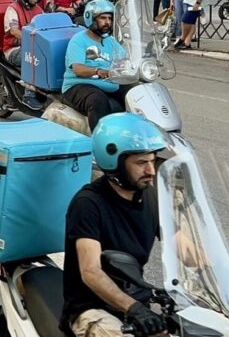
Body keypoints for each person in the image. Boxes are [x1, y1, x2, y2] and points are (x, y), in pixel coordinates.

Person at [61, 113, 169, 337]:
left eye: (152, 161)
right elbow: (90, 271)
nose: (151, 171)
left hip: (134, 302)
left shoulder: (150, 196)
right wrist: (135, 308)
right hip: (92, 309)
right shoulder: (88, 204)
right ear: (114, 162)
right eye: (141, 163)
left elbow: (186, 249)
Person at [61, 0, 133, 131]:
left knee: (135, 92)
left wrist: (128, 64)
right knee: (97, 99)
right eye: (103, 18)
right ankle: (99, 140)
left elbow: (125, 58)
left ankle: (135, 134)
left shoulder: (110, 41)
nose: (107, 22)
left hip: (109, 83)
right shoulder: (78, 40)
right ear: (91, 19)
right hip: (77, 85)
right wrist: (99, 71)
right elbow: (78, 69)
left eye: (110, 18)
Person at [3, 0, 46, 111]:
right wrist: (31, 41)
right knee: (32, 57)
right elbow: (14, 31)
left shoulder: (38, 10)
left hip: (34, 47)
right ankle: (29, 94)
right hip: (13, 49)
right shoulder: (13, 8)